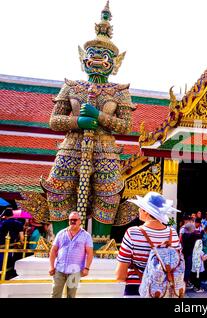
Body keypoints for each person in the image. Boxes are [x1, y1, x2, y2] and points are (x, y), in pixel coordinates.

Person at [41, 2, 134, 243]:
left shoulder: (119, 91)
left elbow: (126, 126)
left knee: (108, 194)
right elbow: (54, 121)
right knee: (59, 191)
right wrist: (79, 121)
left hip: (105, 148)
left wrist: (99, 116)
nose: (97, 59)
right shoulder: (72, 86)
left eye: (105, 55)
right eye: (92, 54)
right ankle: (60, 241)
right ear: (83, 58)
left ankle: (100, 244)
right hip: (72, 145)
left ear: (115, 61)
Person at [115, 192, 181, 297]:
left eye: (140, 207)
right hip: (164, 291)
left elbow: (120, 275)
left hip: (136, 290)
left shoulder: (133, 233)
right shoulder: (173, 234)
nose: (138, 210)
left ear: (145, 211)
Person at [48, 211, 94, 298]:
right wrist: (51, 266)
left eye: (75, 220)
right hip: (59, 269)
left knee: (71, 295)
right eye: (70, 220)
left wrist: (87, 268)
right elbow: (53, 251)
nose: (72, 222)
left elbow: (90, 253)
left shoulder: (86, 236)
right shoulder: (61, 233)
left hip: (75, 271)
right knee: (55, 294)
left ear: (80, 221)